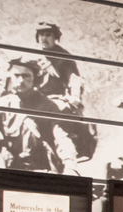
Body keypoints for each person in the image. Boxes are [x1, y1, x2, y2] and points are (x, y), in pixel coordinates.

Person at [31, 23, 96, 164]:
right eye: (41, 35)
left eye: (48, 35)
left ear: (55, 37)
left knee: (64, 120)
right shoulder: (32, 55)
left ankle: (69, 155)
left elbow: (73, 78)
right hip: (33, 97)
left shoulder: (63, 57)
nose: (44, 38)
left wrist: (75, 96)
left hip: (55, 98)